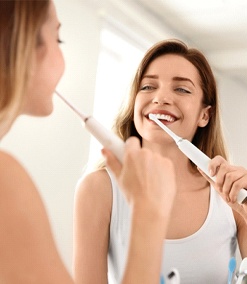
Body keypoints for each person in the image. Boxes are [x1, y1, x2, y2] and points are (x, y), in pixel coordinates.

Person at [74, 39, 247, 283]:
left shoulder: (229, 196)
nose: (160, 97)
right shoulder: (98, 189)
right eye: (147, 87)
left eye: (182, 89)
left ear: (204, 115)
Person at [0, 1, 177, 283]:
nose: (161, 98)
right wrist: (149, 213)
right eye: (57, 37)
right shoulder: (5, 180)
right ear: (20, 44)